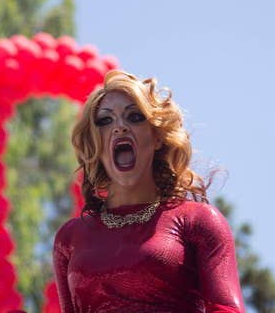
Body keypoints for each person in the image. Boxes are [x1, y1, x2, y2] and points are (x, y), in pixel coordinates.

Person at [53, 70, 245, 312]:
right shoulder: (70, 238)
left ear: (156, 138)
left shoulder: (198, 221)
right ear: (95, 142)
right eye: (105, 120)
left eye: (134, 117)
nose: (120, 127)